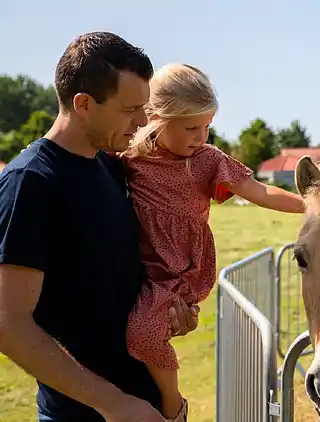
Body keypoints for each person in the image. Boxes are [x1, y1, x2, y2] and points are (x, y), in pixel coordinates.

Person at [0, 32, 200, 422]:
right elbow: (10, 324)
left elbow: (114, 287)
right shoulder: (31, 182)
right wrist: (113, 404)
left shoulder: (110, 167)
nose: (143, 121)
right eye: (130, 109)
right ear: (84, 104)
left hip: (148, 410)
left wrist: (171, 314)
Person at [117, 62, 305, 421]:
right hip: (141, 262)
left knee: (142, 333)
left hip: (178, 268)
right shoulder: (130, 157)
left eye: (207, 127)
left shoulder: (206, 161)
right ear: (156, 116)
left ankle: (173, 405)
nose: (201, 137)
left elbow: (259, 190)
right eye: (190, 127)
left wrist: (309, 205)